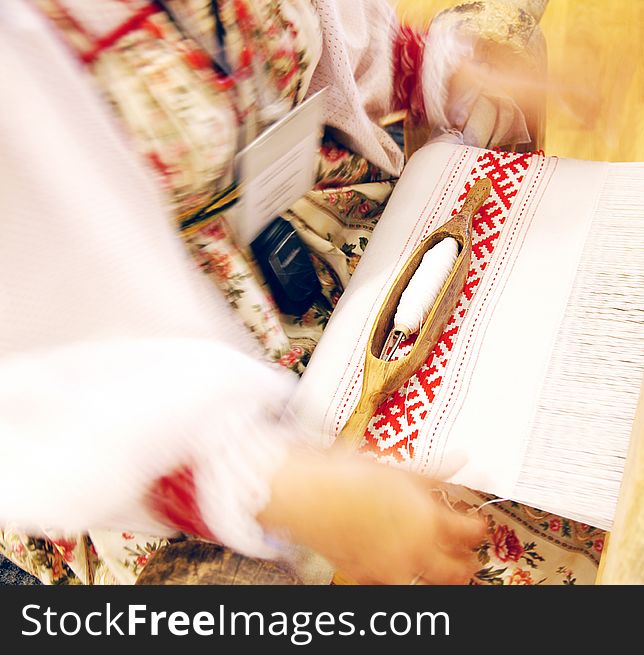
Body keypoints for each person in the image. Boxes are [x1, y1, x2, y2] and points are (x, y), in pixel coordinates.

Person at [0, 0, 535, 585]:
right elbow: (37, 373)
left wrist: (430, 70)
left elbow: (314, 37)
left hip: (323, 231)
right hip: (145, 402)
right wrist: (272, 483)